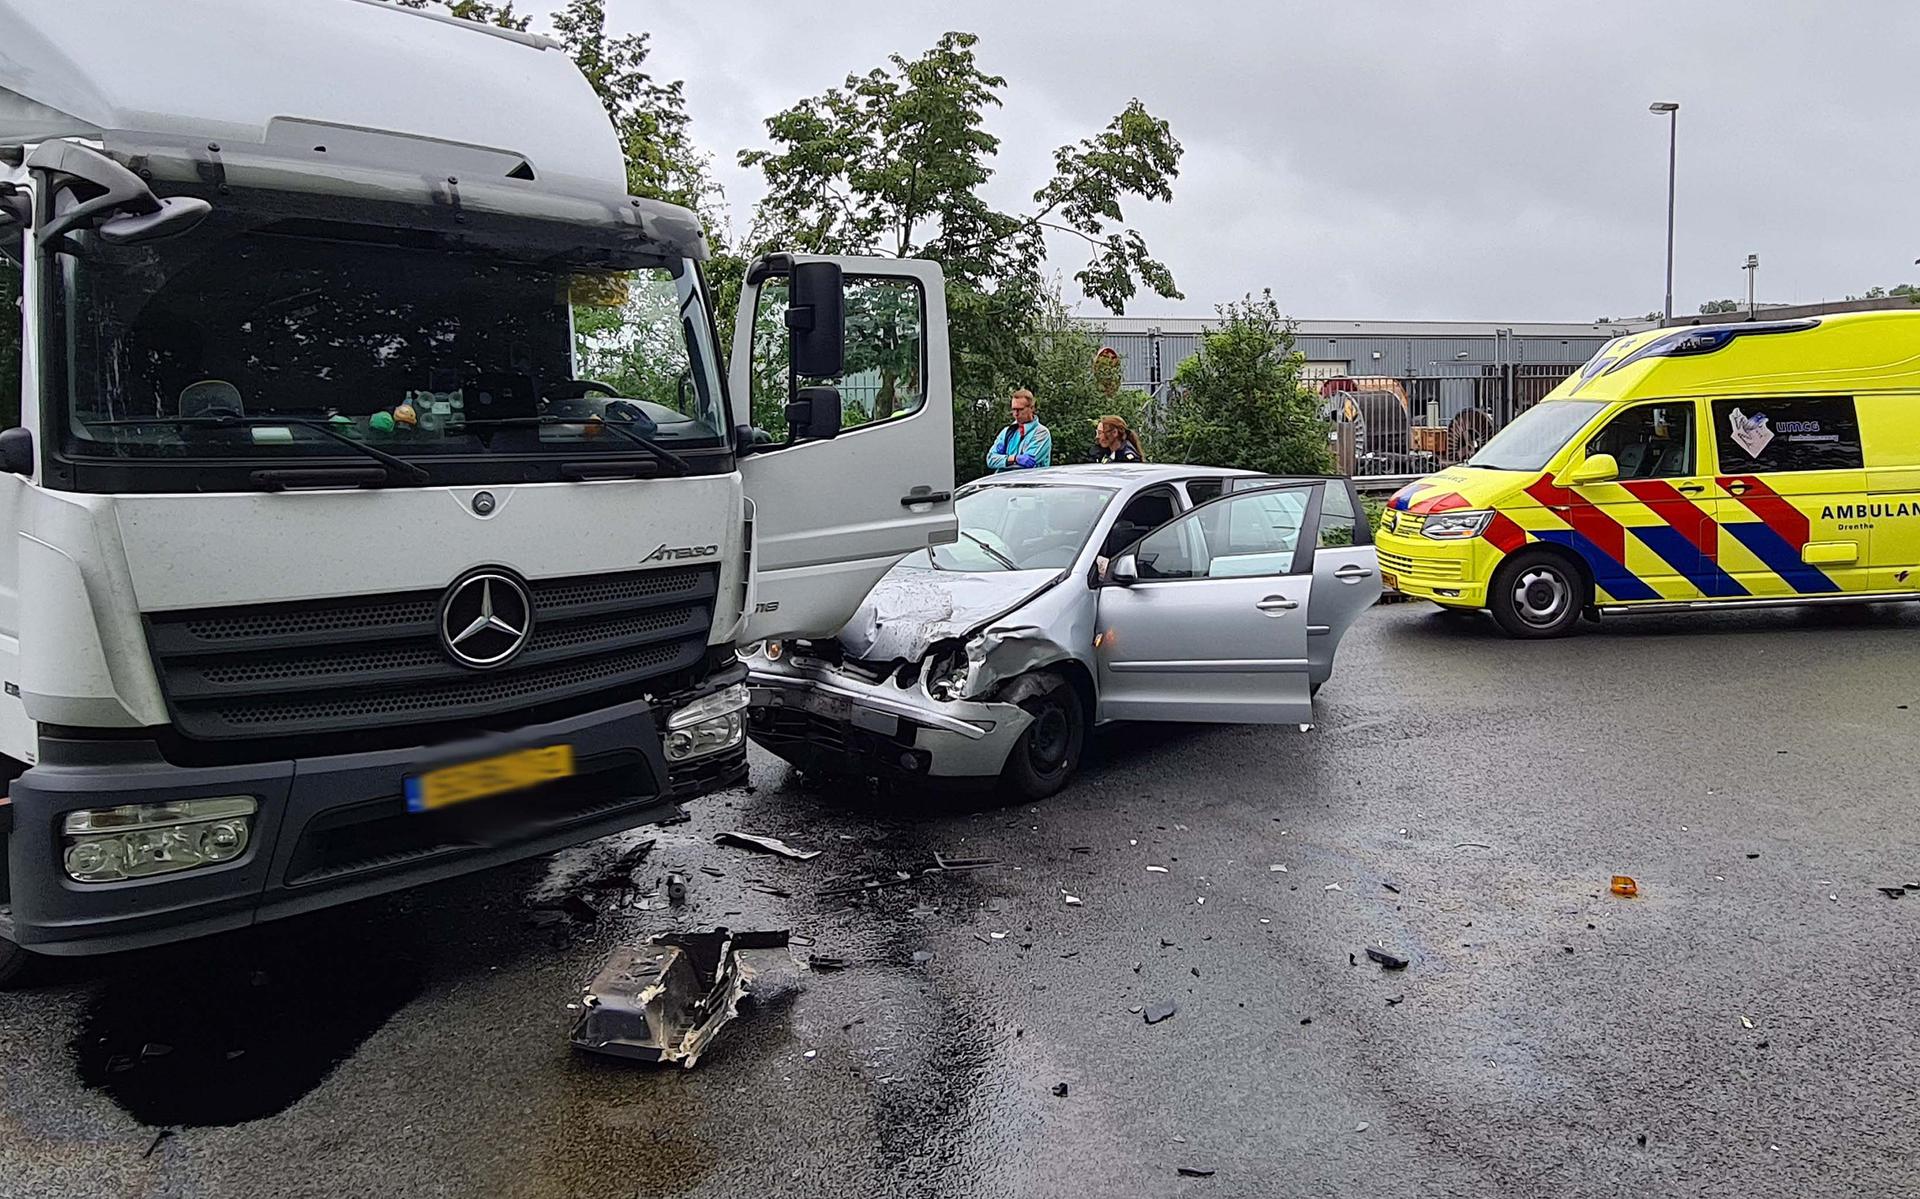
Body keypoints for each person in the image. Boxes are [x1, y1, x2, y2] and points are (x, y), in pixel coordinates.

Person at [986, 388, 1051, 472]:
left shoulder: (1041, 433)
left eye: (1020, 409)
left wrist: (1003, 461)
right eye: (1014, 409)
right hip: (1004, 483)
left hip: (1030, 482)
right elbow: (990, 459)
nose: (1016, 414)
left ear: (1031, 408)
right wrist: (1014, 458)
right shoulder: (1007, 432)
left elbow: (1027, 464)